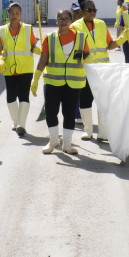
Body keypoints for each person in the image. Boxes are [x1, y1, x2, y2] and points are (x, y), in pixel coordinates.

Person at [31, 9, 91, 155]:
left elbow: (87, 58)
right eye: (60, 18)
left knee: (69, 113)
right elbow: (43, 59)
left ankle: (67, 145)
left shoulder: (81, 38)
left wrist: (96, 72)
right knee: (51, 112)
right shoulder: (49, 38)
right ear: (56, 21)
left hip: (74, 83)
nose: (63, 21)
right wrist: (36, 78)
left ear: (71, 21)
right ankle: (53, 141)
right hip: (52, 82)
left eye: (66, 19)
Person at [72, 0, 129, 140]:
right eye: (89, 10)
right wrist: (83, 57)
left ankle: (103, 133)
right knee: (85, 100)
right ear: (81, 11)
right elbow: (73, 49)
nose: (92, 12)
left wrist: (122, 39)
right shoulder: (75, 27)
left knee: (103, 102)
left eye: (94, 10)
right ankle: (88, 130)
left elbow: (109, 45)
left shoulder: (101, 24)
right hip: (85, 69)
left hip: (103, 70)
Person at [0, 2, 39, 136]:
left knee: (24, 95)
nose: (15, 16)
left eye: (17, 13)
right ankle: (15, 121)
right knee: (11, 96)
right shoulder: (1, 30)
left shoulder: (27, 28)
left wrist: (40, 50)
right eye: (12, 13)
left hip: (25, 67)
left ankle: (22, 124)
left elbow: (32, 45)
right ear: (7, 14)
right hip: (8, 68)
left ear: (21, 14)